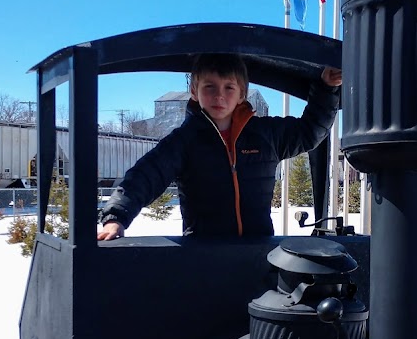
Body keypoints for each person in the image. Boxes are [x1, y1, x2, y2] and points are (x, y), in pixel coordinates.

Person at [97, 53, 342, 239]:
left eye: (229, 87)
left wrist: (326, 88)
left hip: (258, 255)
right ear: (194, 91)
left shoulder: (266, 134)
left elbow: (310, 133)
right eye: (209, 87)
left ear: (241, 93)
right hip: (204, 260)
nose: (219, 96)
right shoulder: (184, 141)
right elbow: (145, 176)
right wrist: (116, 217)